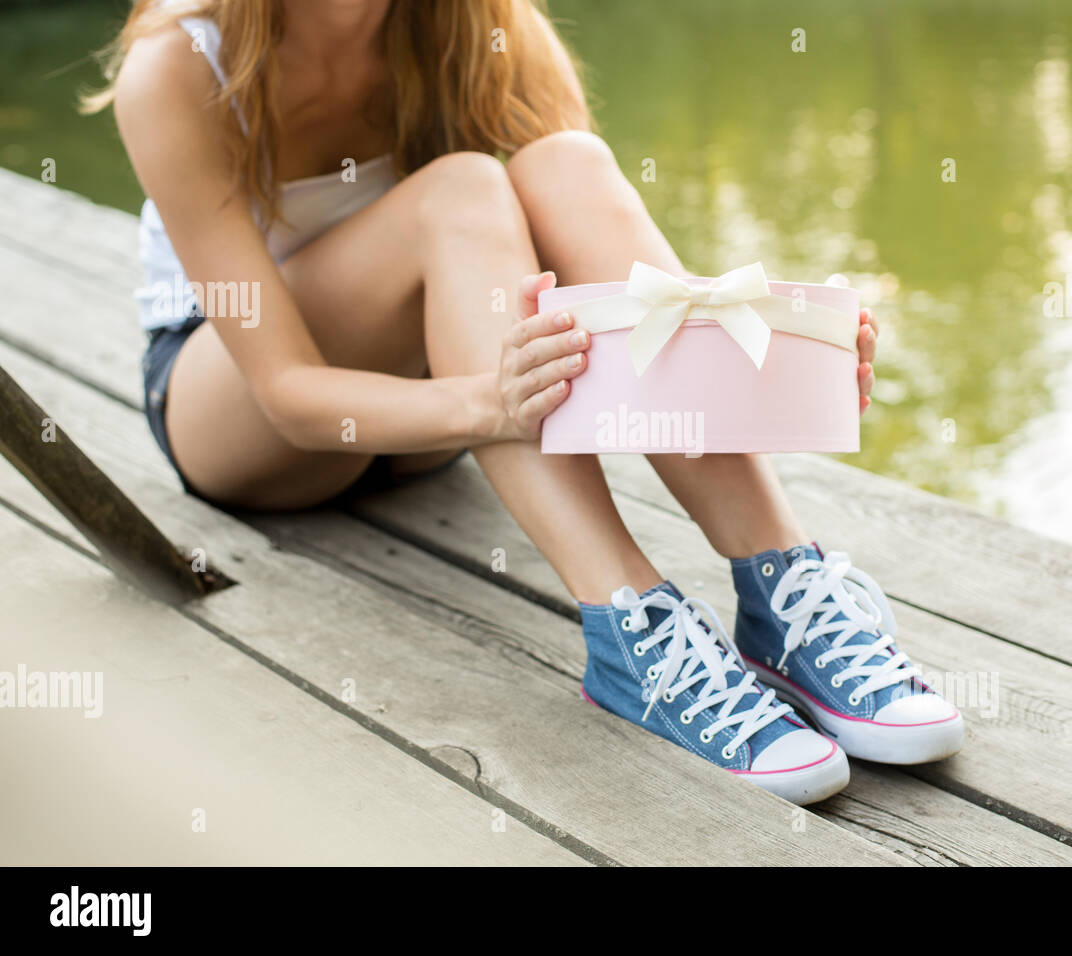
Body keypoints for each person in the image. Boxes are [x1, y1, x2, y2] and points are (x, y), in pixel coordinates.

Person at [87, 0, 963, 805]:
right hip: (249, 421)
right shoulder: (178, 63)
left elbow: (612, 290)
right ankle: (631, 629)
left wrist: (772, 347)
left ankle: (784, 589)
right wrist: (489, 401)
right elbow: (288, 395)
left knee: (565, 164)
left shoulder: (481, 24)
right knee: (465, 187)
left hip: (449, 398)